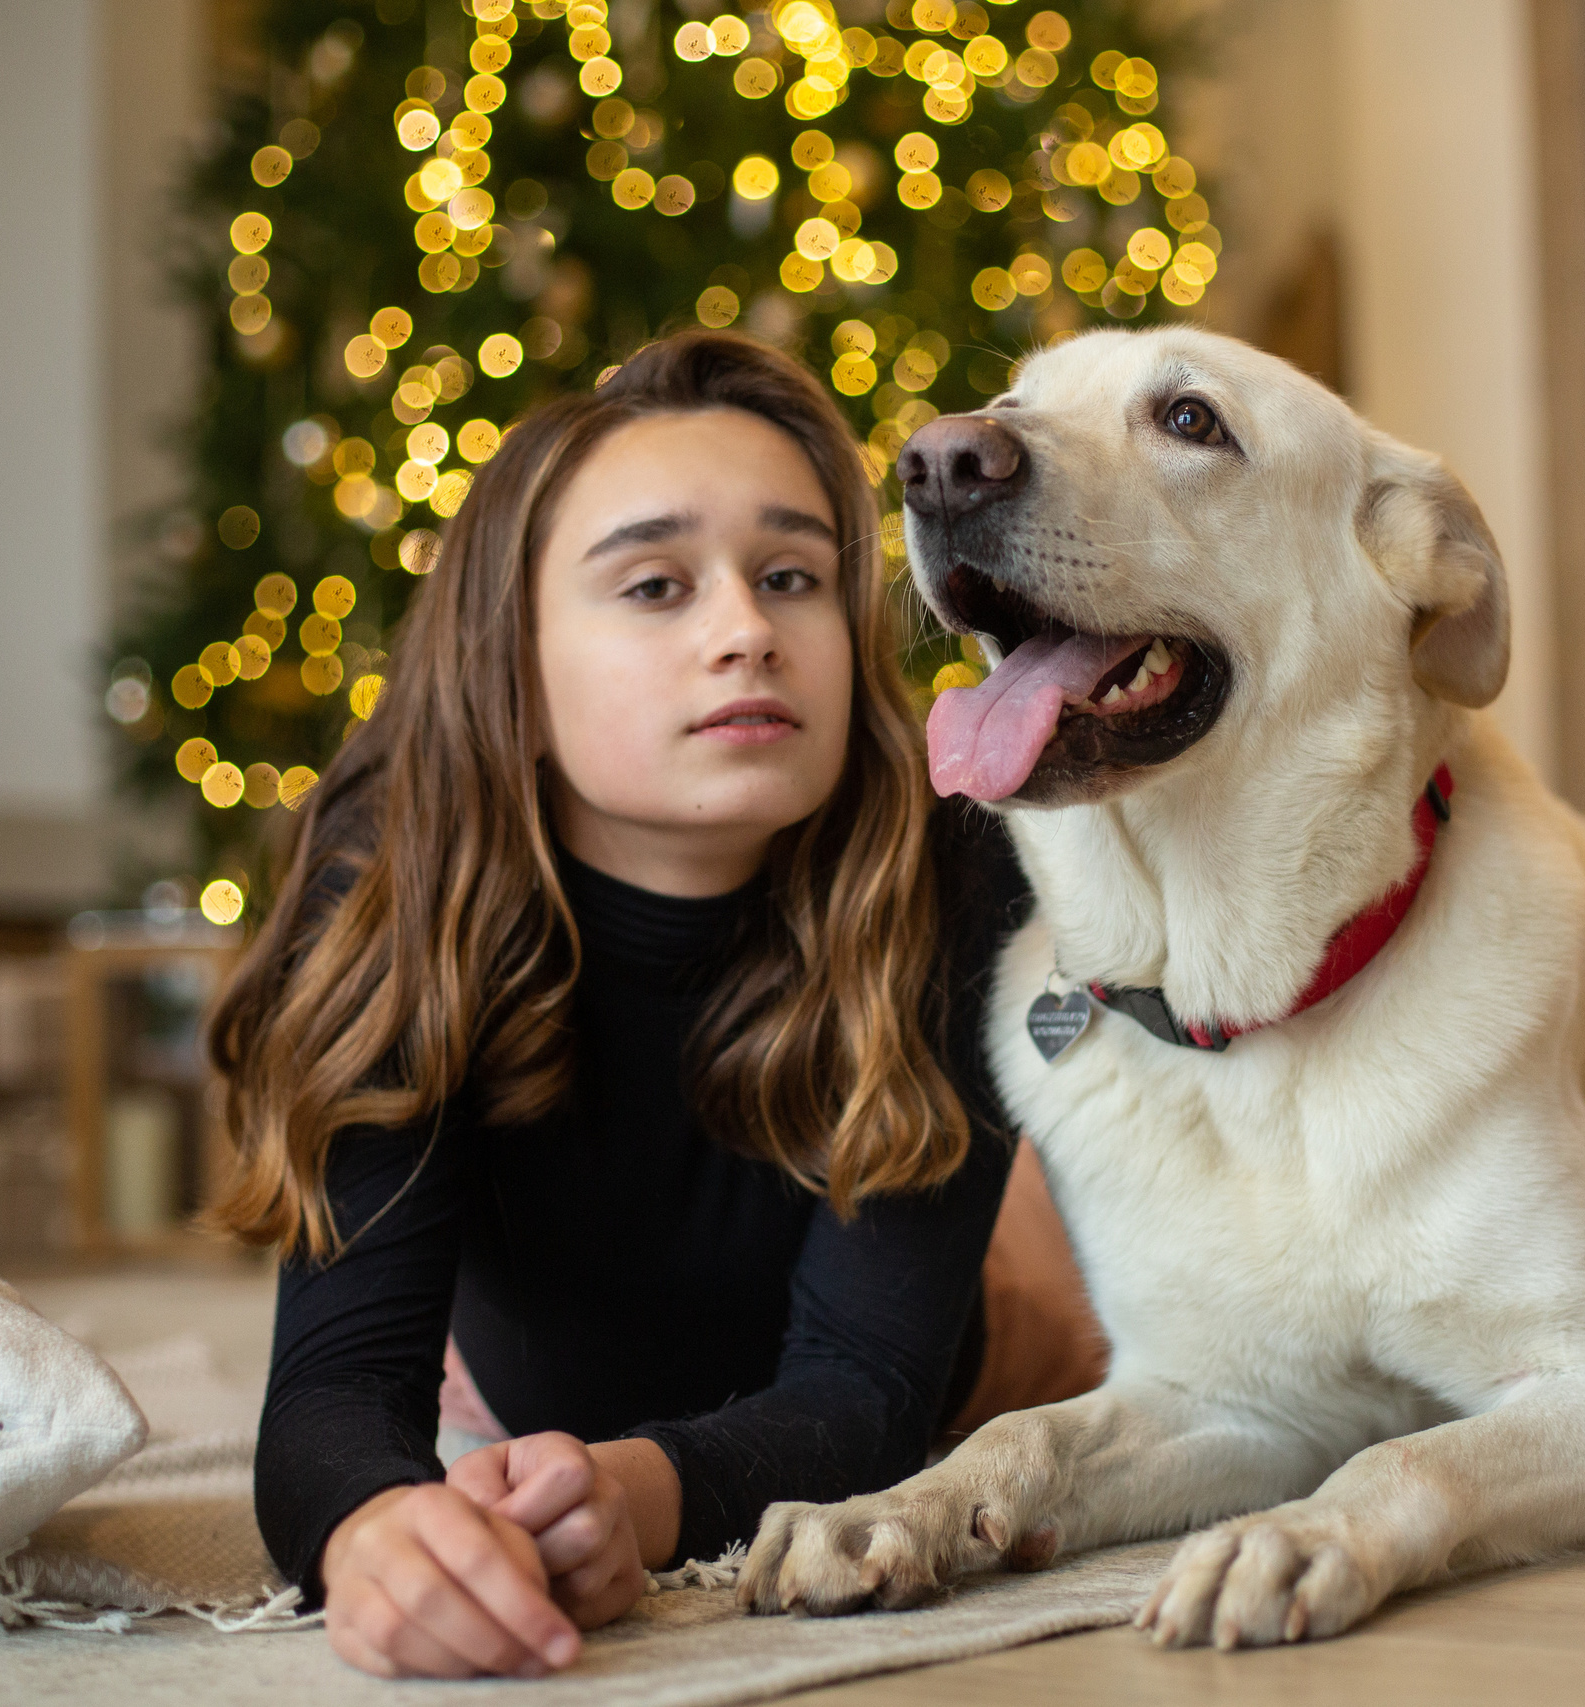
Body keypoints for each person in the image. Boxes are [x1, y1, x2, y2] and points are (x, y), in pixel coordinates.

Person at [205, 332, 1084, 1681]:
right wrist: (376, 1532)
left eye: (793, 578)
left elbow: (867, 1392)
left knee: (1107, 1325)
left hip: (967, 1350)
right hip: (536, 1395)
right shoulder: (395, 882)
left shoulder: (946, 862)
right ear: (517, 663)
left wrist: (631, 1494)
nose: (746, 632)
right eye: (656, 586)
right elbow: (329, 1396)